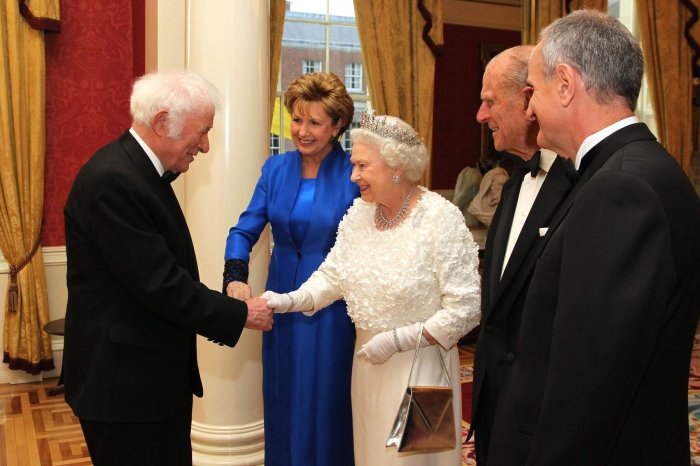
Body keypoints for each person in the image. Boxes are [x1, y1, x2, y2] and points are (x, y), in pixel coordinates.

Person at [484, 9, 700, 465]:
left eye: (534, 92)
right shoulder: (631, 169)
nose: (529, 109)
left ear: (565, 84)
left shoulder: (620, 189)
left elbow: (588, 384)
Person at [62, 69, 273, 466]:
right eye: (202, 131)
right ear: (162, 123)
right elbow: (160, 284)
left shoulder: (136, 170)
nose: (207, 146)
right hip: (126, 391)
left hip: (145, 381)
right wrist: (240, 313)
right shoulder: (115, 180)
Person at [262, 113, 482, 465]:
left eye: (362, 165)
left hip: (419, 368)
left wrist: (397, 340)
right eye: (353, 165)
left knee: (410, 460)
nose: (353, 176)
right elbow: (333, 276)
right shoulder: (360, 215)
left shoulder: (439, 218)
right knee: (370, 455)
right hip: (367, 364)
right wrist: (289, 300)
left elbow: (467, 307)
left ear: (397, 167)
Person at [222, 72, 358, 466]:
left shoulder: (354, 173)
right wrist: (235, 277)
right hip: (279, 300)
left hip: (332, 306)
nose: (303, 130)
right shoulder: (274, 170)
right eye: (297, 119)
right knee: (283, 391)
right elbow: (243, 229)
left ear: (337, 126)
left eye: (315, 122)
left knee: (327, 396)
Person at [468, 45, 579, 463]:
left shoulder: (583, 187)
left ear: (529, 101)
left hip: (543, 421)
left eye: (489, 101)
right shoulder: (514, 184)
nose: (480, 116)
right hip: (497, 409)